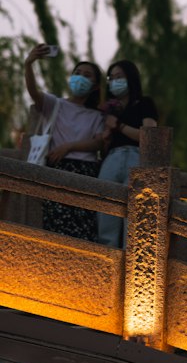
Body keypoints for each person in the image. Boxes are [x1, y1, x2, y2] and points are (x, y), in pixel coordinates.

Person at [24, 44, 106, 240]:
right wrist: (28, 64)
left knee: (83, 225)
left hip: (85, 170)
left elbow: (98, 143)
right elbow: (34, 92)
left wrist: (69, 146)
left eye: (87, 75)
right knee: (54, 223)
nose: (80, 77)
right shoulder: (56, 104)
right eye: (77, 73)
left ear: (95, 86)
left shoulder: (97, 115)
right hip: (58, 166)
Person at [96, 59, 159, 246]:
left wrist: (119, 126)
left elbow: (149, 135)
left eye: (119, 77)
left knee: (134, 217)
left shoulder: (144, 103)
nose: (115, 81)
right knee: (105, 213)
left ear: (131, 78)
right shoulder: (109, 109)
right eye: (112, 78)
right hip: (112, 158)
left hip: (136, 157)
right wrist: (106, 137)